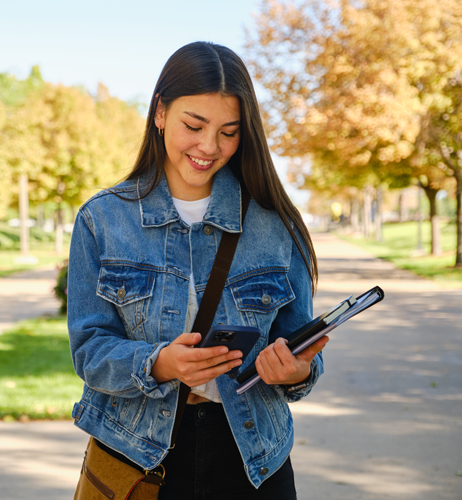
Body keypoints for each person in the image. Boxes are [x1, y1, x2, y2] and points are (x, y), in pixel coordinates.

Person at [67, 42, 329, 499]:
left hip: (253, 461)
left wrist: (294, 371)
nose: (210, 147)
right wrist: (160, 363)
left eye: (229, 132)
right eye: (194, 125)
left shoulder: (275, 224)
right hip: (141, 458)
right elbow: (89, 351)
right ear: (160, 112)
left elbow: (302, 347)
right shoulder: (102, 220)